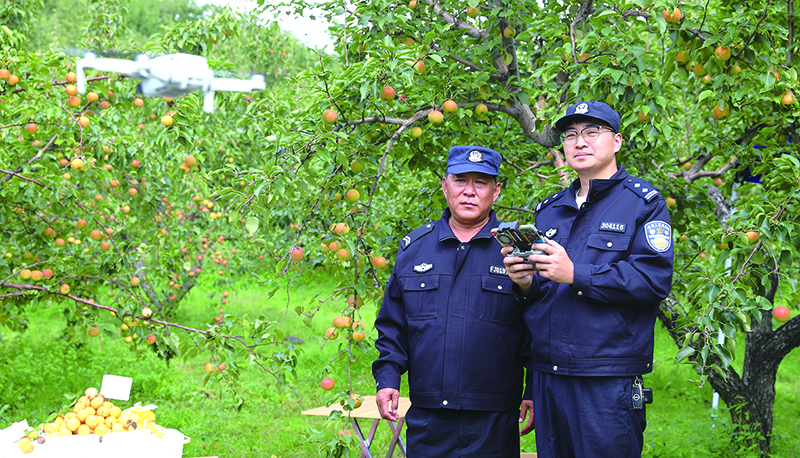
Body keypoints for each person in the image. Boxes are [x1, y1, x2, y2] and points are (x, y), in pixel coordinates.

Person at [503, 101, 674, 457]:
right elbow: (544, 296)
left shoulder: (644, 204)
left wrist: (576, 273)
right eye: (570, 135)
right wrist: (524, 283)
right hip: (550, 374)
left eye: (592, 132)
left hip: (605, 377)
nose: (579, 142)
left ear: (617, 141)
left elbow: (651, 280)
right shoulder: (550, 210)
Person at [372, 145, 534, 457]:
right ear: (445, 185)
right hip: (429, 417)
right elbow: (393, 326)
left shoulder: (519, 251)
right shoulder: (414, 249)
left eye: (481, 182)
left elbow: (538, 329)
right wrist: (388, 378)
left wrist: (533, 390)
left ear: (496, 191)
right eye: (460, 180)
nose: (469, 192)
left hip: (494, 418)